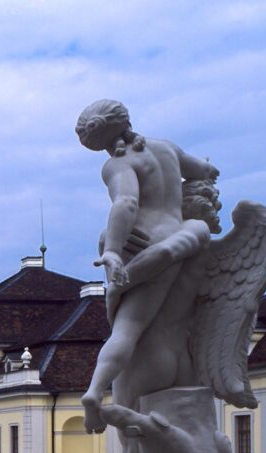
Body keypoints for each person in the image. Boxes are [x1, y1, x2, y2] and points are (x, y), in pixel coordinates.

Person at [75, 100, 219, 433]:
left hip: (145, 243)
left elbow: (126, 202)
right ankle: (98, 392)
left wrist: (111, 249)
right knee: (145, 323)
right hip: (175, 235)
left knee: (129, 327)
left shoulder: (117, 163)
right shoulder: (166, 148)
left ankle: (95, 391)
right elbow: (202, 171)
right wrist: (209, 171)